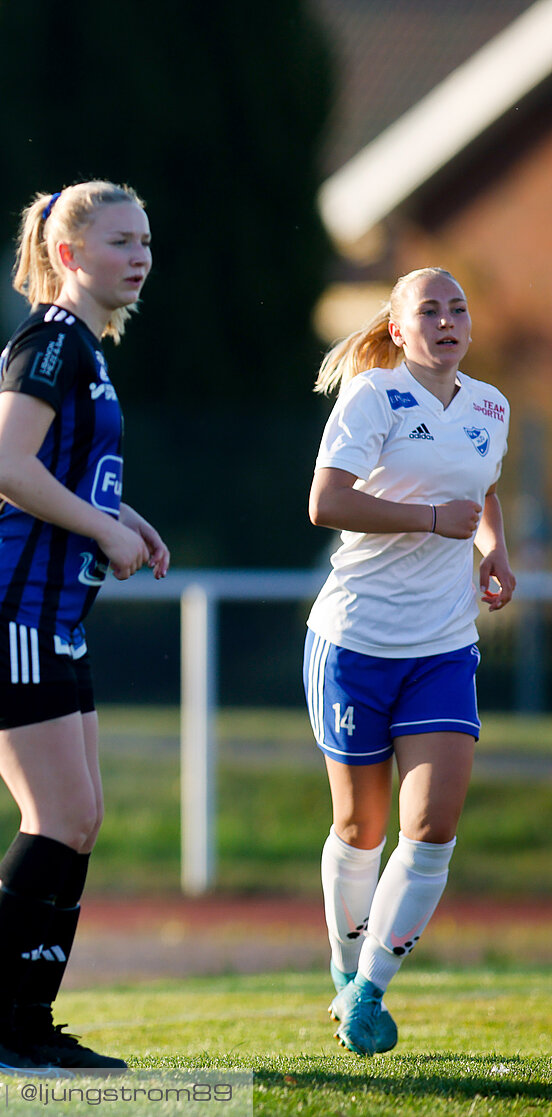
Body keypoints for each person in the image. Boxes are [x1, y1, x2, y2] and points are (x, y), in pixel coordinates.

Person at [0, 182, 166, 1072]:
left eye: (145, 240)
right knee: (58, 814)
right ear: (70, 256)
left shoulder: (88, 350)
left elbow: (63, 471)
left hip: (49, 611)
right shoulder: (52, 342)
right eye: (119, 240)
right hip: (7, 606)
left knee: (82, 818)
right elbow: (5, 467)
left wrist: (125, 515)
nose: (139, 255)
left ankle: (26, 1023)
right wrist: (104, 528)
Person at [304, 267, 511, 1057]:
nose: (449, 319)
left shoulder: (491, 404)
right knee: (362, 828)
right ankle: (345, 966)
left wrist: (495, 554)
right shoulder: (373, 397)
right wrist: (430, 518)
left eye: (459, 305)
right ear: (396, 328)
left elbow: (483, 494)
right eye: (429, 308)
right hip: (356, 640)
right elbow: (326, 500)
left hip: (444, 645)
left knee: (432, 827)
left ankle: (369, 992)